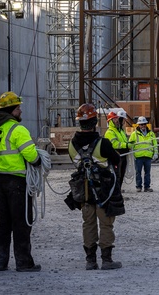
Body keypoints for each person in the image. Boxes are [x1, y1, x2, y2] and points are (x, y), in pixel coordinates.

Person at [0, 91, 42, 272]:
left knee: (2, 222)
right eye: (18, 108)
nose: (21, 111)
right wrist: (39, 161)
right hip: (17, 182)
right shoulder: (18, 130)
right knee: (21, 222)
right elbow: (32, 156)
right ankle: (24, 263)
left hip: (0, 181)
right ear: (11, 110)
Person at [67, 103, 123, 270]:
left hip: (83, 191)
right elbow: (116, 159)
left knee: (88, 223)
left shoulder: (72, 145)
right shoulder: (103, 143)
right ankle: (106, 259)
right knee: (105, 223)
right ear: (95, 123)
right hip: (103, 191)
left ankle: (90, 260)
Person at [130, 117, 158, 192]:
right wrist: (132, 156)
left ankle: (147, 187)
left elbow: (154, 144)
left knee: (147, 173)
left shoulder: (151, 134)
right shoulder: (134, 134)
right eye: (141, 124)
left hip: (148, 156)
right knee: (138, 172)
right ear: (138, 125)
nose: (143, 126)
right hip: (138, 156)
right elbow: (130, 145)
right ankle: (138, 187)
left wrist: (155, 153)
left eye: (144, 124)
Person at [104, 108, 130, 186]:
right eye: (115, 119)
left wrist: (128, 144)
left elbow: (124, 141)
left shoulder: (120, 131)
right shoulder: (110, 132)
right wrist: (126, 145)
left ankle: (119, 190)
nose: (117, 120)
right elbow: (114, 144)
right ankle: (115, 191)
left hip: (123, 155)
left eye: (117, 119)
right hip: (116, 155)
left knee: (122, 174)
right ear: (111, 121)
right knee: (117, 174)